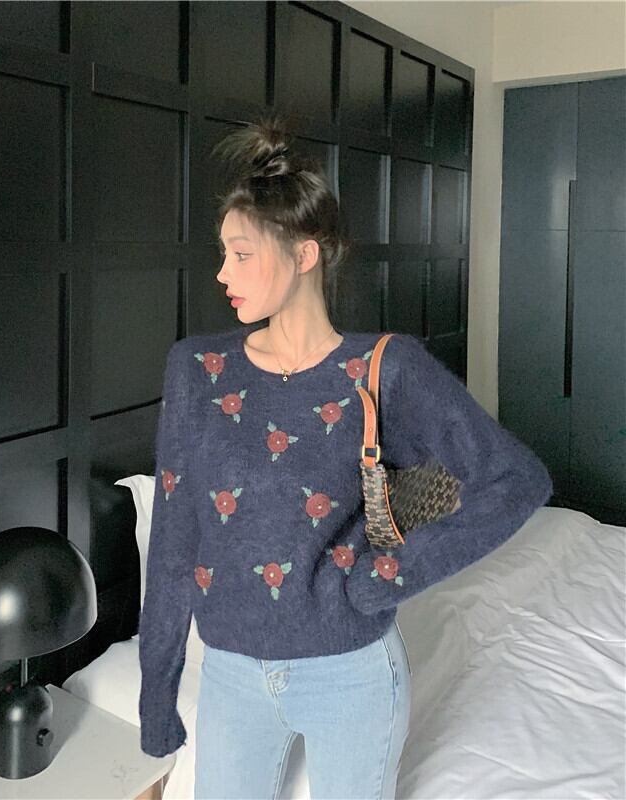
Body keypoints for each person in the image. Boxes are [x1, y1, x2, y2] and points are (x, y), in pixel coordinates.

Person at [137, 113, 553, 799]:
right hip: (232, 677)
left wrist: (387, 577)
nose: (222, 273)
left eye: (241, 255)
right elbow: (176, 541)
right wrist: (158, 694)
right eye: (223, 254)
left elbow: (516, 479)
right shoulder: (197, 370)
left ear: (304, 255)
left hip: (352, 676)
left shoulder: (386, 368)